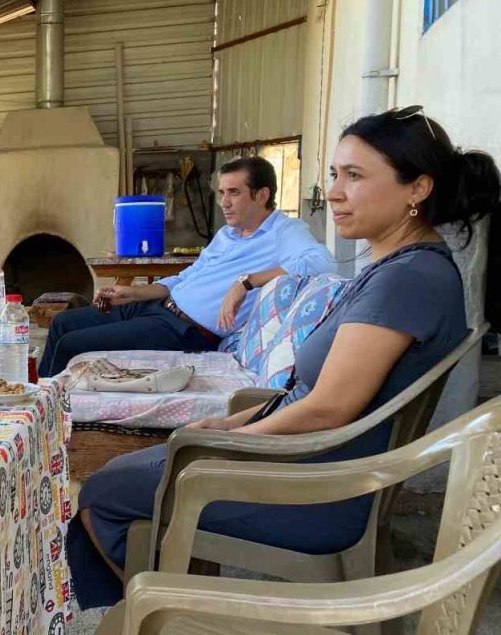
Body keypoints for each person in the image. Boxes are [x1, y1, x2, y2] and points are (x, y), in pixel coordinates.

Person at [69, 107, 501, 609]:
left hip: (315, 491)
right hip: (306, 462)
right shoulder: (401, 268)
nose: (334, 191)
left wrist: (227, 445)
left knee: (102, 491)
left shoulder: (407, 280)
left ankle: (161, 611)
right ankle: (156, 597)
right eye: (336, 174)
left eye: (355, 176)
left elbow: (328, 409)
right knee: (132, 470)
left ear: (417, 189)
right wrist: (230, 428)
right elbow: (309, 394)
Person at [38, 156, 337, 377]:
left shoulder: (283, 231)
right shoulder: (226, 234)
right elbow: (186, 276)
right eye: (222, 193)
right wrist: (132, 293)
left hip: (184, 331)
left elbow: (322, 263)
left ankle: (48, 419)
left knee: (72, 344)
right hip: (159, 307)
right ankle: (35, 400)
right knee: (64, 323)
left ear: (261, 195)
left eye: (234, 192)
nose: (224, 202)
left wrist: (245, 282)